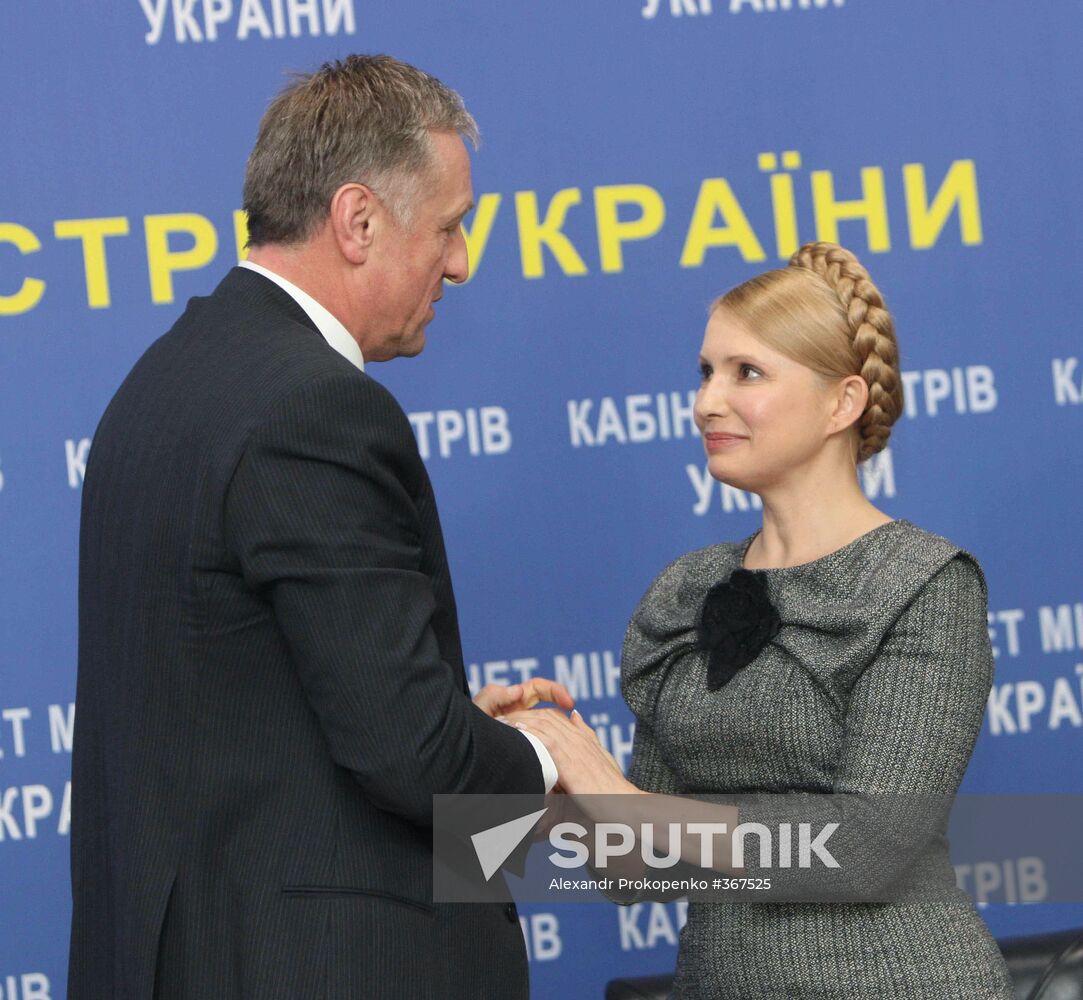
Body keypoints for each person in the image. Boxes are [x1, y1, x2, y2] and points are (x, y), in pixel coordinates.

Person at [68, 54, 572, 1000]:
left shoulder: (160, 383)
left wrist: (442, 713)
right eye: (451, 226)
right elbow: (411, 759)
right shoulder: (316, 408)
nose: (460, 261)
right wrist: (547, 758)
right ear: (358, 220)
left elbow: (247, 700)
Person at [515, 242, 1014, 997]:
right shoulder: (683, 594)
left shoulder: (924, 583)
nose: (707, 401)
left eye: (746, 372)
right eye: (705, 371)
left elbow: (865, 849)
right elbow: (637, 871)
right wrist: (556, 774)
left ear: (841, 403)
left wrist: (627, 801)